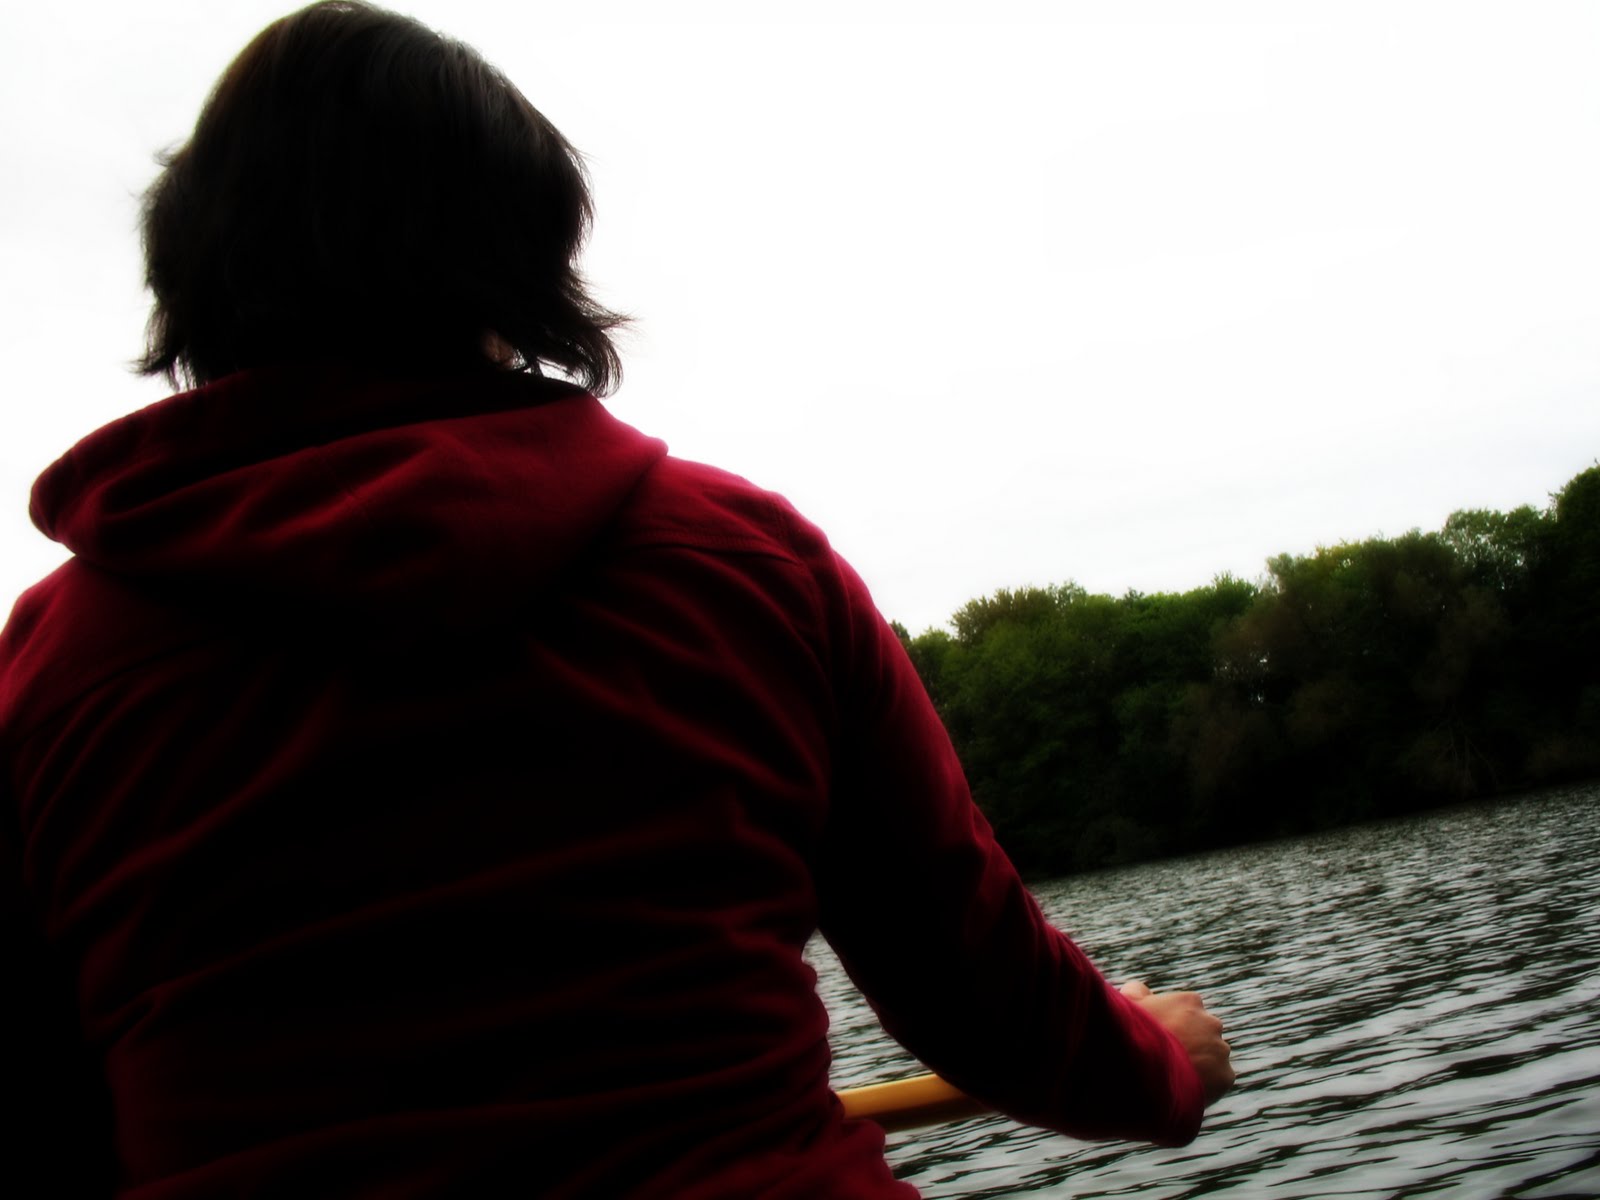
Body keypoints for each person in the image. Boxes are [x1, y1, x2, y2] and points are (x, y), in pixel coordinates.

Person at [0, 3, 1233, 1195]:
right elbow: (981, 993)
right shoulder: (751, 565)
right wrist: (1160, 1065)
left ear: (195, 277)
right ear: (511, 269)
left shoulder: (45, 673)